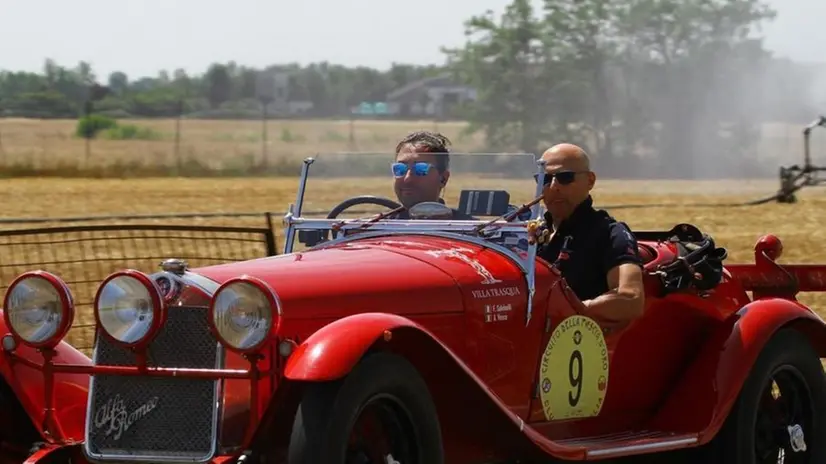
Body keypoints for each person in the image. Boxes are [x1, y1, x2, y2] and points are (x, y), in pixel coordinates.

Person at [527, 143, 645, 331]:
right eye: (545, 179)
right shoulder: (527, 229)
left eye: (565, 177)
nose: (554, 187)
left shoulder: (608, 232)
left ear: (590, 181)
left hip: (572, 339)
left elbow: (631, 298)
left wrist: (573, 310)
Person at [390, 131, 475, 220]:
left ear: (443, 179)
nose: (407, 178)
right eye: (400, 169)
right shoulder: (381, 226)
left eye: (420, 169)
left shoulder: (467, 228)